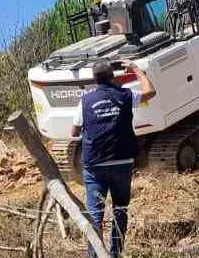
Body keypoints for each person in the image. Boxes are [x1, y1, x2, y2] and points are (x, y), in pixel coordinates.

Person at [71, 59, 156, 258]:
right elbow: (150, 92)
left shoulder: (85, 101)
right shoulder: (125, 95)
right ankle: (116, 253)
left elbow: (73, 131)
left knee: (95, 215)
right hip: (122, 161)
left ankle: (95, 255)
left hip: (94, 165)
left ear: (94, 79)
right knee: (120, 208)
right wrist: (136, 69)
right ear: (112, 76)